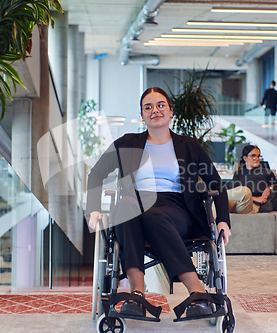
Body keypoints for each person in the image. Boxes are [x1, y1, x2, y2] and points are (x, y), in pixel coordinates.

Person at [86, 87, 231, 318]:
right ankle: (137, 294)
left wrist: (223, 220)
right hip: (134, 204)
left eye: (161, 105)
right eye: (148, 107)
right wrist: (93, 209)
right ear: (142, 115)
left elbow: (217, 184)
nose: (155, 110)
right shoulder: (127, 143)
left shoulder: (189, 146)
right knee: (124, 207)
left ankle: (197, 291)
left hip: (178, 209)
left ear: (171, 111)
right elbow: (96, 174)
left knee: (152, 214)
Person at [228, 144, 277, 213]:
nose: (257, 158)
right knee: (221, 202)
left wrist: (269, 188)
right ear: (245, 158)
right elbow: (234, 193)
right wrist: (256, 198)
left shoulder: (266, 172)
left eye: (258, 156)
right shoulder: (238, 173)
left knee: (245, 191)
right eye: (253, 155)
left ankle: (220, 193)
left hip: (251, 205)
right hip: (236, 204)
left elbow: (276, 185)